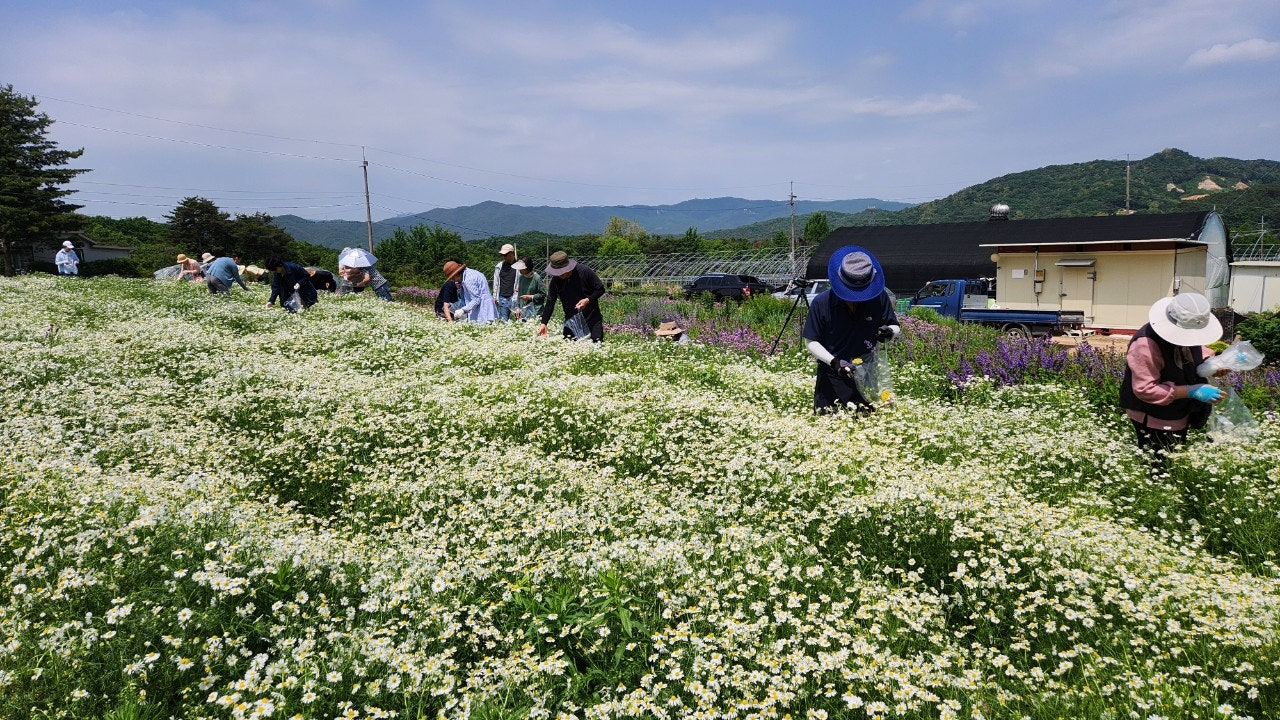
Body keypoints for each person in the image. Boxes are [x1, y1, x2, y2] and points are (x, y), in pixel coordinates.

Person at [1120, 292, 1225, 456]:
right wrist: (1192, 391)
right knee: (1159, 465)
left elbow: (1195, 349)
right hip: (1153, 417)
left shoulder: (1188, 333)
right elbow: (1145, 389)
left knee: (1175, 457)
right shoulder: (1146, 345)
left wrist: (1212, 365)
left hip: (1179, 412)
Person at [802, 245, 900, 413]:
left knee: (867, 427)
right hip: (832, 377)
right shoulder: (822, 303)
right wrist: (833, 361)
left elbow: (894, 324)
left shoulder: (879, 298)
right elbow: (811, 340)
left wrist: (890, 331)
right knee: (830, 428)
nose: (856, 299)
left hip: (868, 376)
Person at [538, 251, 606, 342]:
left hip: (591, 319)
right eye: (558, 273)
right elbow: (550, 301)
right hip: (571, 320)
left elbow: (600, 289)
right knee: (569, 347)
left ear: (568, 267)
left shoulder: (584, 271)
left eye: (562, 272)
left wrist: (588, 299)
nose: (560, 275)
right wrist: (544, 323)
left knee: (596, 346)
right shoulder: (556, 280)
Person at [443, 260, 496, 324]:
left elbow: (476, 299)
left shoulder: (468, 279)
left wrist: (463, 310)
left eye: (453, 278)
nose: (454, 281)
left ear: (456, 274)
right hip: (487, 308)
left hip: (482, 310)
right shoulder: (471, 273)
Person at [512, 257, 546, 321]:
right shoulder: (521, 277)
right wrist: (518, 308)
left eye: (521, 268)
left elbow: (543, 294)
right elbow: (520, 294)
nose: (519, 270)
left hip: (535, 311)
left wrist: (530, 297)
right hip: (523, 311)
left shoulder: (537, 278)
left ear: (527, 267)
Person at [492, 243, 520, 322]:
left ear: (512, 253)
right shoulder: (499, 266)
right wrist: (495, 297)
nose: (504, 257)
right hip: (503, 297)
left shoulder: (519, 266)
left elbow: (522, 280)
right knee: (503, 320)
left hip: (515, 297)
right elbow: (496, 282)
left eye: (506, 254)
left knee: (520, 320)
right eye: (503, 255)